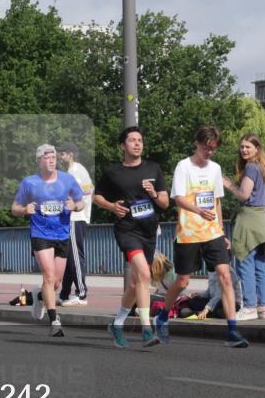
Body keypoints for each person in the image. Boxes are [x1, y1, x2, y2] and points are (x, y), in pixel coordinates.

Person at [156, 126, 248, 348]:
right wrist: (197, 211)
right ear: (197, 144)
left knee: (225, 275)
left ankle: (232, 331)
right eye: (206, 148)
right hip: (188, 233)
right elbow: (177, 198)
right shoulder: (183, 166)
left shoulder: (215, 169)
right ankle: (162, 317)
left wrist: (221, 231)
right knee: (182, 281)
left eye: (213, 149)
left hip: (212, 232)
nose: (209, 153)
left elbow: (216, 200)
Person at [92, 126, 169, 347]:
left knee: (136, 285)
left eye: (140, 140)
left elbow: (164, 203)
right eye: (133, 140)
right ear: (123, 146)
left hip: (149, 231)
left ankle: (117, 325)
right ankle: (146, 329)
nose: (137, 144)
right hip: (127, 230)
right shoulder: (113, 172)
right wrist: (110, 206)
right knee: (145, 274)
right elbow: (97, 196)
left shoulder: (153, 169)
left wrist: (153, 194)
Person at [12, 143, 85, 338]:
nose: (51, 160)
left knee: (56, 283)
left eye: (53, 157)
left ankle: (38, 296)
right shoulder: (29, 183)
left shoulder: (67, 179)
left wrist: (75, 206)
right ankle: (54, 321)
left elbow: (81, 201)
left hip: (62, 234)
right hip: (40, 233)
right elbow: (15, 208)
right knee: (48, 275)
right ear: (38, 160)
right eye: (46, 157)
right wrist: (23, 210)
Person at [224, 134, 265, 321]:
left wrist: (229, 185)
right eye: (242, 147)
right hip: (263, 220)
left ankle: (249, 307)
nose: (244, 150)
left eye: (248, 147)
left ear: (257, 149)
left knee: (245, 264)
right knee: (260, 266)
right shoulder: (262, 167)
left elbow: (244, 195)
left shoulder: (250, 167)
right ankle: (264, 307)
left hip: (249, 220)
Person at [58, 143, 92, 306]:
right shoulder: (79, 169)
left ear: (70, 155)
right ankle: (64, 293)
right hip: (78, 217)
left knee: (76, 257)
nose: (60, 156)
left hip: (75, 217)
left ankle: (81, 294)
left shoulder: (74, 171)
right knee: (70, 257)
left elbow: (81, 194)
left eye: (62, 153)